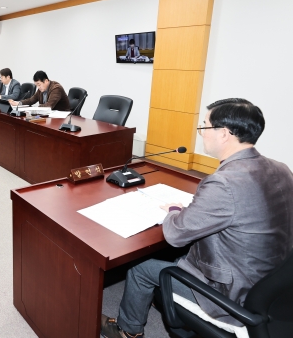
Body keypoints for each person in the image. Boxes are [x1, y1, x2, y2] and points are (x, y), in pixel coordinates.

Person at [100, 98, 293, 338]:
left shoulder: (224, 183)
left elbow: (175, 235)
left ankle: (127, 331)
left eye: (204, 126)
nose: (201, 133)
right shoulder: (282, 168)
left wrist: (174, 210)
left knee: (142, 268)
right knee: (180, 256)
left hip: (233, 295)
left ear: (224, 134)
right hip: (272, 282)